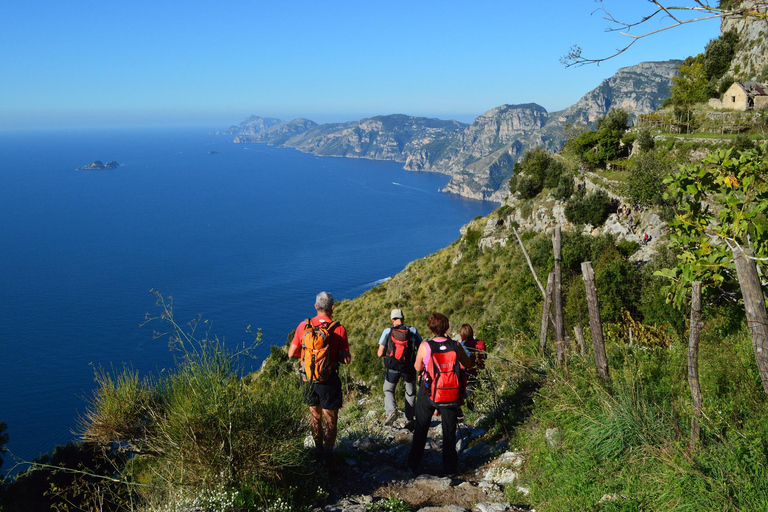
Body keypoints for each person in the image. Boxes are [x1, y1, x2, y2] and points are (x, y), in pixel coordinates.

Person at [287, 291, 351, 470]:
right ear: (332, 307)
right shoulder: (339, 329)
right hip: (328, 381)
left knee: (315, 416)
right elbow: (346, 359)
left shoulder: (303, 326)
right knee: (331, 420)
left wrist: (308, 358)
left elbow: (291, 353)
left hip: (308, 380)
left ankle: (317, 451)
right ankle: (328, 457)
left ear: (315, 307)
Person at [407, 312, 473, 477]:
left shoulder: (425, 346)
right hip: (450, 391)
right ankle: (450, 469)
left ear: (431, 328)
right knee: (449, 431)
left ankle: (414, 465)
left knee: (421, 428)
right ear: (447, 327)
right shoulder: (455, 345)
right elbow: (467, 364)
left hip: (428, 391)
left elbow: (417, 368)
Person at [377, 308, 423, 428]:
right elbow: (422, 347)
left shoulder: (387, 331)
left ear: (392, 319)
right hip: (408, 367)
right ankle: (409, 418)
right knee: (410, 392)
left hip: (392, 366)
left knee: (388, 390)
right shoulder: (412, 330)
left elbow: (379, 353)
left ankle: (391, 411)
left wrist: (389, 355)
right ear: (403, 318)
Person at [458, 324, 486, 411]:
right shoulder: (481, 343)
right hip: (479, 371)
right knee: (475, 393)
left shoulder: (461, 345)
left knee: (468, 393)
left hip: (465, 372)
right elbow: (484, 358)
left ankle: (468, 411)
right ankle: (474, 411)